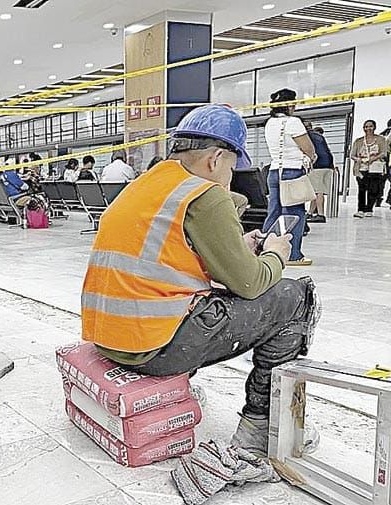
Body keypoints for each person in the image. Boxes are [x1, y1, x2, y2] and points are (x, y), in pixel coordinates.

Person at [82, 104, 321, 457]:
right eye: (231, 168)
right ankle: (262, 425)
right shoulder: (204, 194)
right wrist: (276, 254)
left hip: (110, 338)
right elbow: (250, 284)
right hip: (152, 348)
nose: (230, 178)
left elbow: (164, 257)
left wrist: (235, 248)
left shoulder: (144, 184)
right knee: (294, 296)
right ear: (215, 159)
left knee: (210, 296)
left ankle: (182, 396)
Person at [262, 88, 317, 267]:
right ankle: (293, 255)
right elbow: (308, 148)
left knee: (274, 212)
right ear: (290, 104)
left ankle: (264, 249)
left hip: (274, 171)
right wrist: (311, 157)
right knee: (295, 214)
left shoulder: (269, 123)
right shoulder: (294, 122)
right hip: (292, 171)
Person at [350, 119, 388, 218]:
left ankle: (369, 209)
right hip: (361, 168)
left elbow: (384, 153)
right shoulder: (358, 141)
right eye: (366, 126)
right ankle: (360, 209)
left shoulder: (381, 139)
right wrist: (359, 159)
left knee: (373, 189)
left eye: (370, 126)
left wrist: (374, 158)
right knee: (361, 189)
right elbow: (352, 155)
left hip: (375, 167)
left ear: (374, 127)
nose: (368, 128)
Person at [303, 121, 335, 223]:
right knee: (316, 190)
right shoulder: (319, 136)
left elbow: (307, 150)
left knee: (318, 192)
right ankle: (310, 212)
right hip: (328, 165)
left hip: (318, 165)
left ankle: (321, 214)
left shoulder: (306, 136)